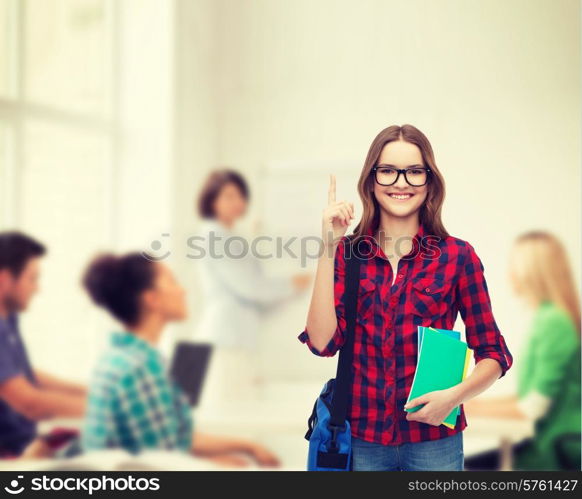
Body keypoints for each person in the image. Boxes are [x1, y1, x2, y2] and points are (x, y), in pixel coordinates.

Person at [299, 124, 513, 471]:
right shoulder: (347, 254)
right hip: (362, 441)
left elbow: (494, 354)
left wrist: (453, 398)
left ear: (430, 183)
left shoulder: (458, 257)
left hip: (434, 444)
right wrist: (329, 244)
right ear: (372, 181)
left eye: (414, 172)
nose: (401, 182)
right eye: (388, 171)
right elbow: (322, 343)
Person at [81, 252, 280, 467]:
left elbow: (176, 440)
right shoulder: (140, 368)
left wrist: (245, 446)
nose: (183, 290)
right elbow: (160, 464)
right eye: (172, 281)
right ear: (152, 299)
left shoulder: (123, 357)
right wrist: (219, 466)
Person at [193, 169, 310, 410]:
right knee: (227, 418)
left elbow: (254, 292)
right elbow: (250, 287)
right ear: (211, 199)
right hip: (223, 340)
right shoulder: (214, 235)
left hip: (234, 339)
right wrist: (291, 284)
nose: (238, 202)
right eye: (228, 196)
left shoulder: (229, 236)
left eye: (240, 196)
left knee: (234, 415)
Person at [464, 231, 581, 470]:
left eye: (515, 267)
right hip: (544, 445)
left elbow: (533, 408)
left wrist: (461, 406)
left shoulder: (554, 322)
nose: (510, 275)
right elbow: (528, 396)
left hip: (553, 451)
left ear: (533, 273)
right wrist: (468, 403)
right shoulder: (547, 318)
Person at [0, 232, 87, 458]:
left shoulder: (8, 320)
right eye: (32, 279)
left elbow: (24, 375)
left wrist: (90, 391)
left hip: (27, 445)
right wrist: (107, 408)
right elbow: (28, 402)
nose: (37, 289)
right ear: (5, 279)